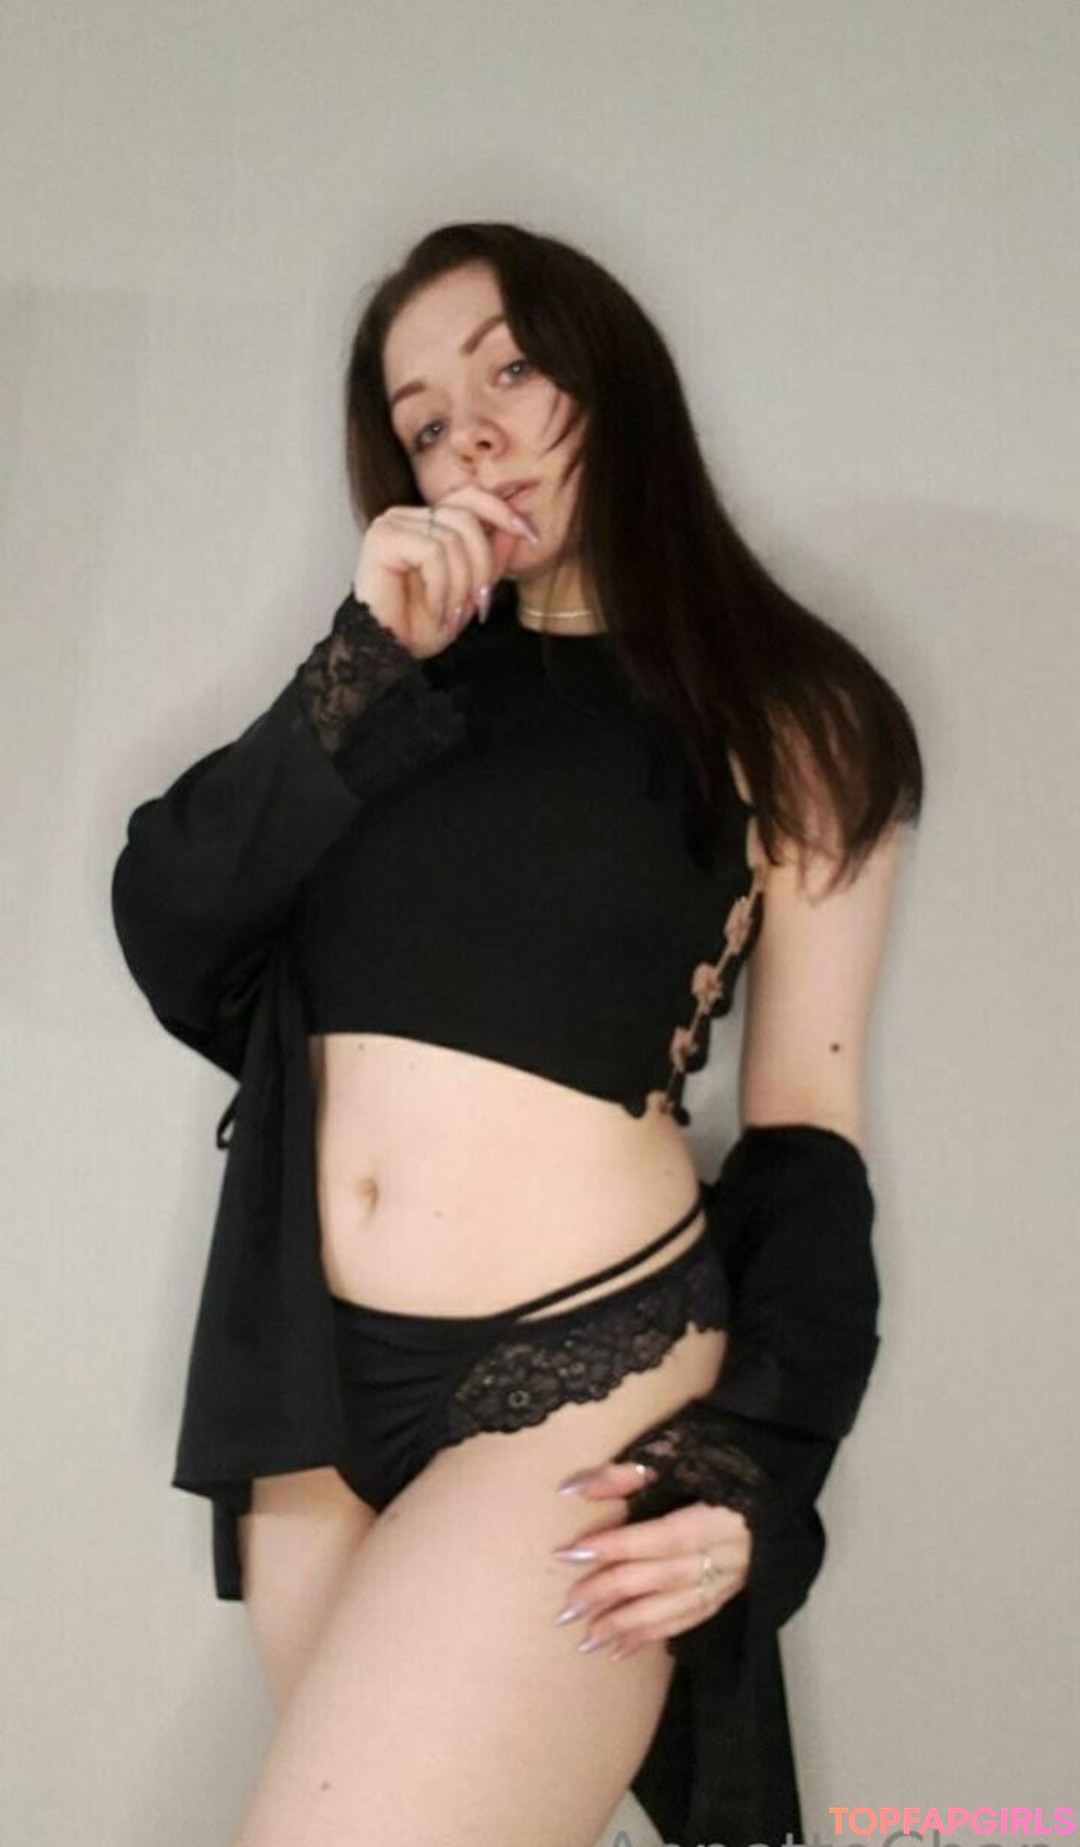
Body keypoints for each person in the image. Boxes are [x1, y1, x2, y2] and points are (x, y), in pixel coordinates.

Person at [110, 221, 923, 1847]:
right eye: (424, 421)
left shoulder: (792, 712)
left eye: (512, 370)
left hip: (579, 1372)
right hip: (310, 1394)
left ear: (610, 373)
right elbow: (174, 922)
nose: (470, 435)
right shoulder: (391, 689)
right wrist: (364, 660)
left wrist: (766, 1460)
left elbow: (807, 1130)